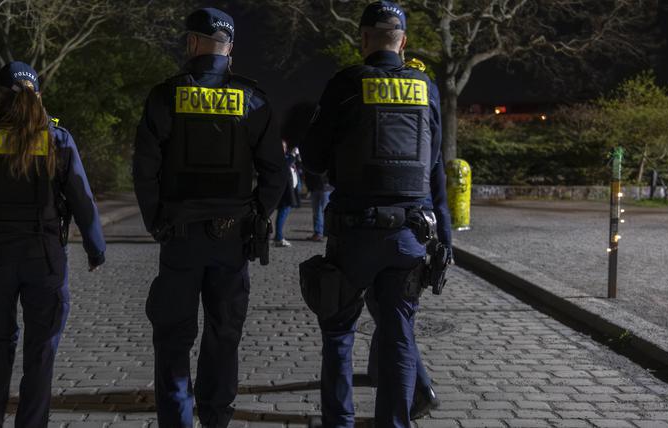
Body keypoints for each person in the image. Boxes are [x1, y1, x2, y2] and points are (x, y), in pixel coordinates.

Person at [299, 2, 454, 426]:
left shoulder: (347, 83)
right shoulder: (426, 88)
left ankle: (340, 421)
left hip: (354, 233)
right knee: (399, 335)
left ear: (364, 39)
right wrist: (445, 239)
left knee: (339, 333)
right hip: (409, 235)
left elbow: (312, 158)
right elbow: (435, 168)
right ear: (403, 42)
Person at [132, 8, 287, 427]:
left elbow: (144, 169)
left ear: (192, 43)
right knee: (224, 332)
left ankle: (177, 418)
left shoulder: (166, 96)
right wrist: (258, 214)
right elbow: (275, 172)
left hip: (179, 236)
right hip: (232, 238)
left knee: (173, 335)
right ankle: (216, 417)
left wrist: (156, 220)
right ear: (229, 49)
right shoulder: (253, 99)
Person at [0, 61, 106, 428]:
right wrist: (95, 248)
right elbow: (82, 198)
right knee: (41, 349)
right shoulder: (56, 138)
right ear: (38, 96)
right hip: (43, 256)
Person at [273, 140, 301, 248]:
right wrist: (293, 155)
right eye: (281, 147)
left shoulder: (286, 157)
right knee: (282, 214)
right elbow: (285, 166)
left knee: (284, 214)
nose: (283, 149)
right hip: (284, 193)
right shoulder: (279, 159)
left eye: (284, 147)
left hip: (290, 191)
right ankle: (279, 238)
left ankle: (279, 236)